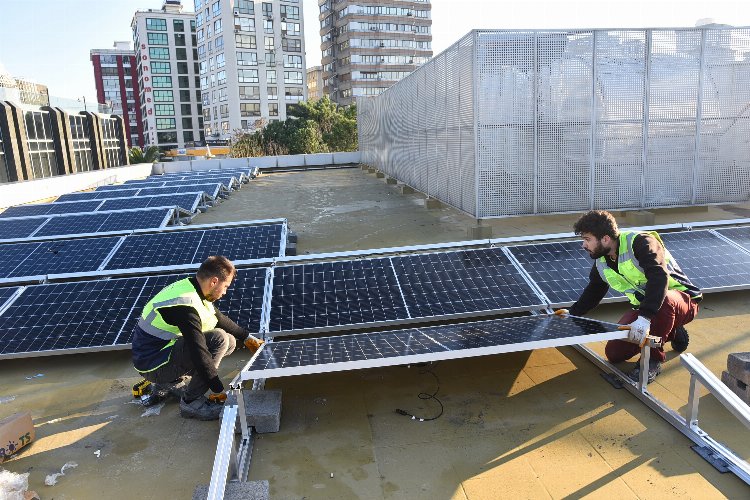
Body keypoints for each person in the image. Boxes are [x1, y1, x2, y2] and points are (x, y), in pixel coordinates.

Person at [559, 210, 702, 383]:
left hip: (682, 300)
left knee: (665, 302)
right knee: (614, 354)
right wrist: (572, 313)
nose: (583, 245)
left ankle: (652, 361)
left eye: (587, 239)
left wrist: (644, 318)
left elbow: (659, 277)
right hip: (647, 310)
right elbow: (594, 290)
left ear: (605, 239)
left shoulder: (641, 242)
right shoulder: (602, 261)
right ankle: (671, 329)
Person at [131, 255, 264, 420]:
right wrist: (217, 390)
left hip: (159, 353)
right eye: (225, 286)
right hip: (152, 364)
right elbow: (198, 352)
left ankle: (170, 382)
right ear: (214, 281)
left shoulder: (193, 287)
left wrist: (247, 338)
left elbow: (218, 317)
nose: (225, 292)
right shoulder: (184, 306)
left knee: (229, 341)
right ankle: (191, 402)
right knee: (219, 339)